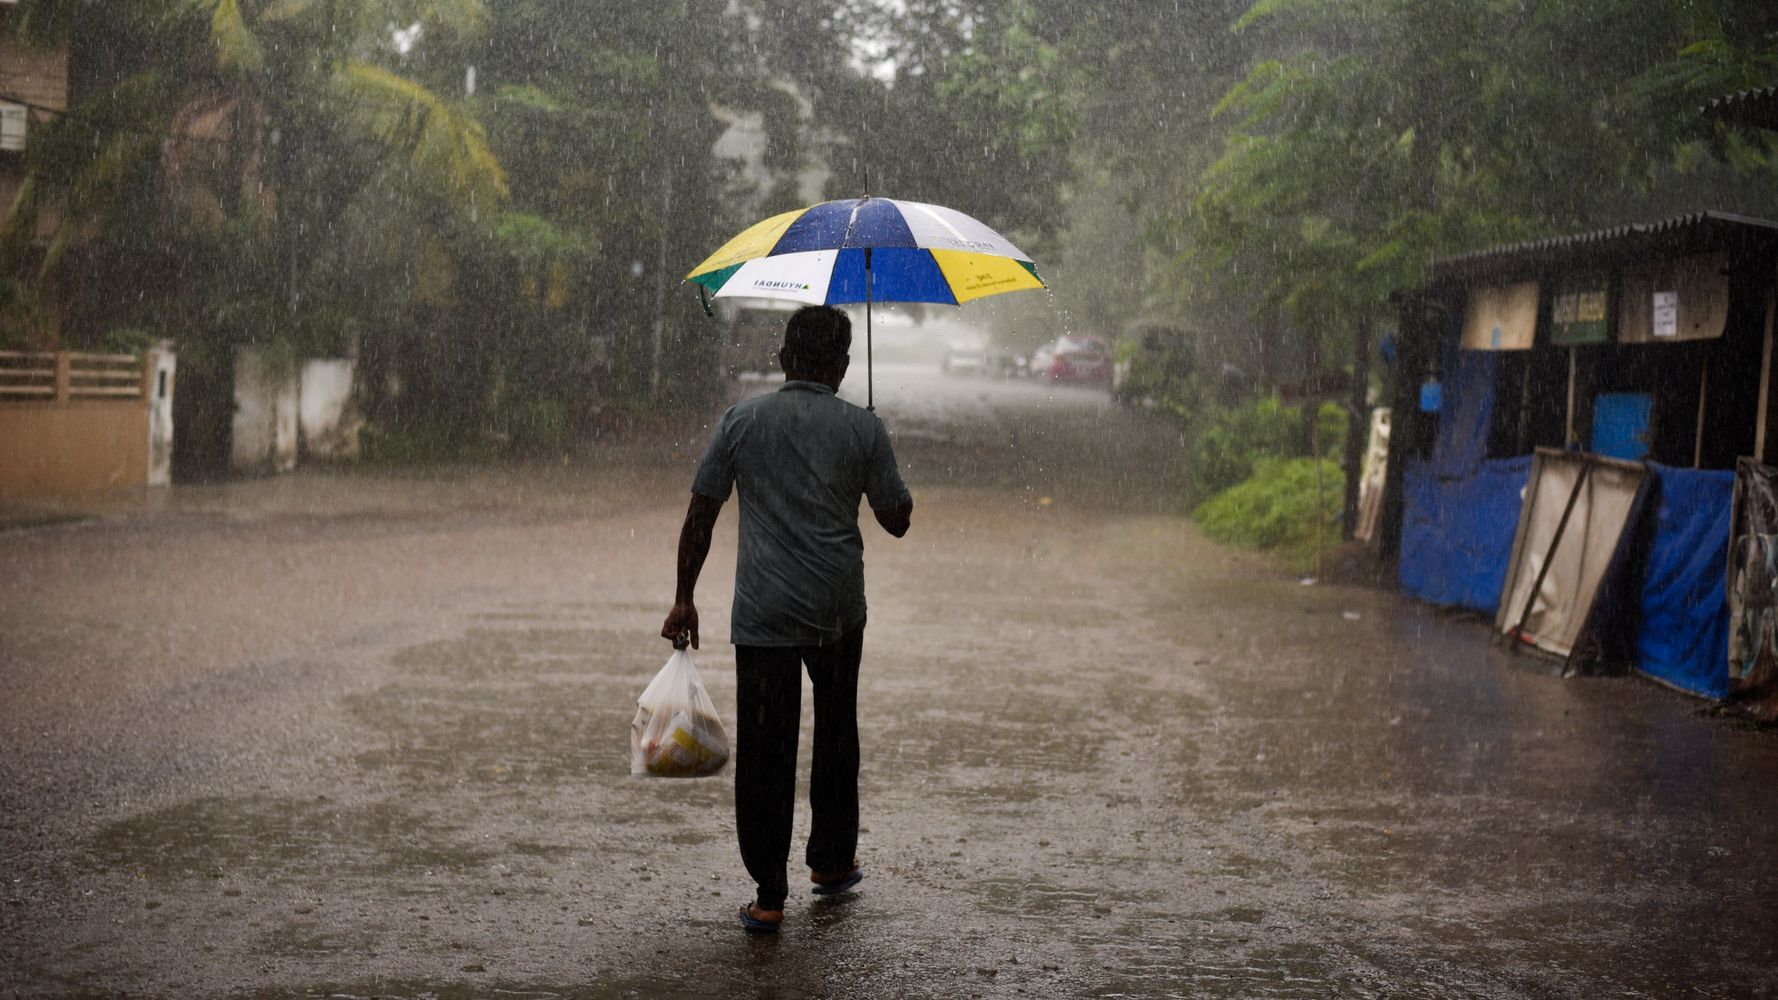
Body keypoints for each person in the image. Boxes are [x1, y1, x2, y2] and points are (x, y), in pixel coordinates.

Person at [660, 304, 913, 934]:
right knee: (835, 734)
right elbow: (897, 519)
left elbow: (701, 512)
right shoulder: (862, 428)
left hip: (764, 612)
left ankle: (769, 894)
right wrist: (874, 447)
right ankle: (829, 864)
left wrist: (684, 597)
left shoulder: (742, 420)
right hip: (835, 609)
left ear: (782, 360)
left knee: (767, 749)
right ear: (844, 366)